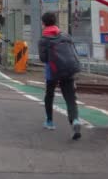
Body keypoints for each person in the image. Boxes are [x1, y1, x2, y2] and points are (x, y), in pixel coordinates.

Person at [38, 11, 81, 140]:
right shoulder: (65, 35)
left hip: (53, 70)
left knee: (49, 95)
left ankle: (50, 122)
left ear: (44, 23)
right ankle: (75, 121)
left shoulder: (43, 39)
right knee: (70, 98)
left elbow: (43, 58)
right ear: (55, 22)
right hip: (68, 69)